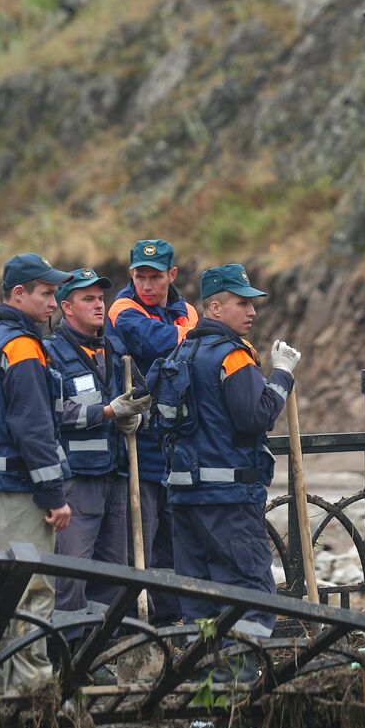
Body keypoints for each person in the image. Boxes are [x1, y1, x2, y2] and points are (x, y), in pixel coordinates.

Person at [166, 264, 299, 680]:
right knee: (250, 592)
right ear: (215, 307)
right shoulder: (233, 355)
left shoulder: (179, 353)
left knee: (199, 595)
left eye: (253, 303)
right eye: (243, 303)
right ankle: (239, 682)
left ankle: (202, 688)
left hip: (185, 497)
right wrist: (282, 375)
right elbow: (254, 417)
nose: (252, 312)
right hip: (229, 499)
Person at [0, 253, 74, 694]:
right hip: (14, 491)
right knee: (28, 593)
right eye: (46, 293)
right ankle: (29, 697)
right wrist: (54, 495)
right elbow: (33, 427)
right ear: (18, 294)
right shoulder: (21, 346)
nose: (54, 303)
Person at [43, 268, 150, 674]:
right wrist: (106, 412)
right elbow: (51, 410)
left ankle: (96, 648)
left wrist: (136, 415)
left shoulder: (113, 350)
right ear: (66, 307)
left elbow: (139, 395)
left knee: (111, 569)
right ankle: (66, 656)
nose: (99, 304)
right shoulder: (51, 353)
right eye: (88, 299)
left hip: (115, 475)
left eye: (100, 297)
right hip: (77, 480)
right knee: (71, 572)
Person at [105, 239, 197, 623]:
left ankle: (170, 619)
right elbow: (156, 342)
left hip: (175, 444)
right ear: (131, 276)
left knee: (173, 542)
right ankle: (134, 624)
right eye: (140, 276)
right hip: (139, 444)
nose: (147, 284)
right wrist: (196, 336)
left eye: (155, 277)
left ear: (171, 275)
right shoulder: (123, 309)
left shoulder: (186, 310)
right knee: (138, 537)